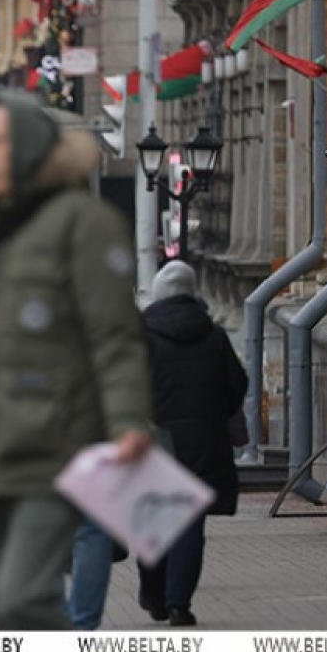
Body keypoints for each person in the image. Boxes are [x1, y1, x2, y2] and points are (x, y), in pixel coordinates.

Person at [0, 90, 153, 652]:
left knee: (27, 600)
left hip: (55, 447)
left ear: (27, 147)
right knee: (10, 622)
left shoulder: (83, 223)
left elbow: (115, 337)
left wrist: (129, 423)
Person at [138, 261, 246, 627]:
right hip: (203, 442)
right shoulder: (214, 336)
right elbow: (237, 385)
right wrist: (213, 414)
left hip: (154, 442)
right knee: (189, 525)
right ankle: (178, 603)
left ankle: (153, 594)